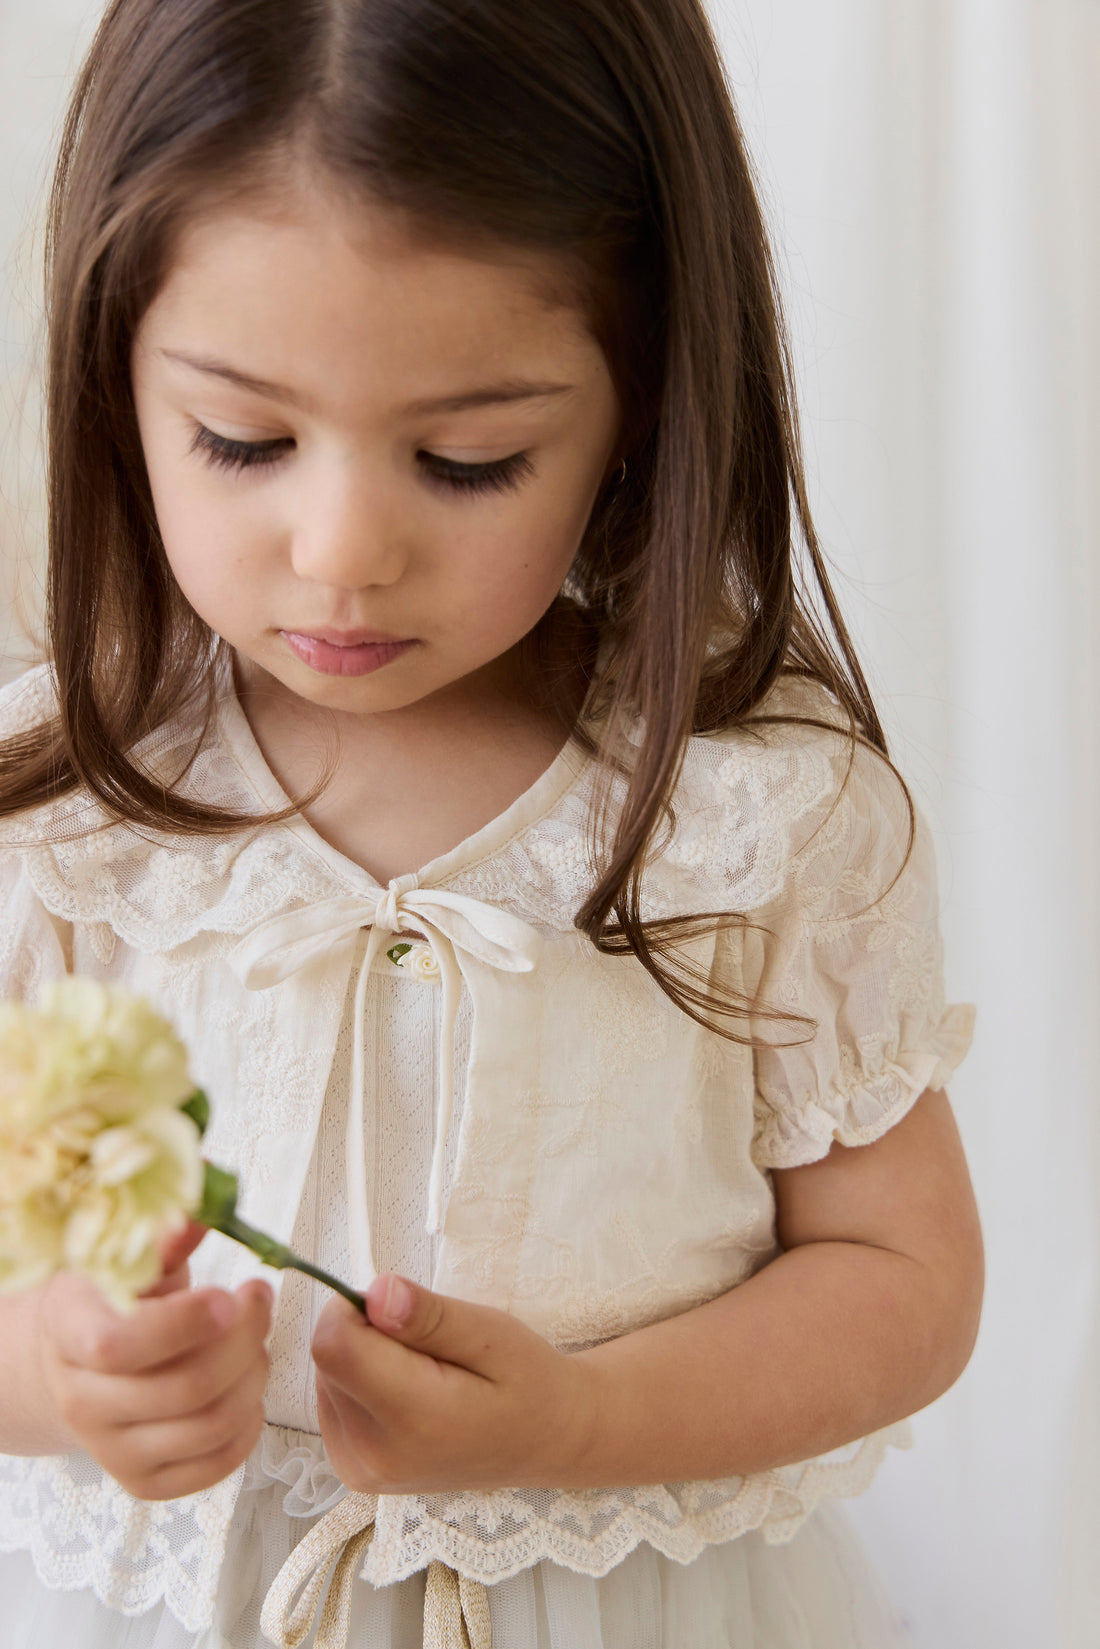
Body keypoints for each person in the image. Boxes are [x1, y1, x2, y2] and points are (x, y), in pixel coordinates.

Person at [0, 0, 983, 1644]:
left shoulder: (756, 809)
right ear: (117, 377)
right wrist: (55, 1373)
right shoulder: (64, 802)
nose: (340, 551)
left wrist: (578, 1425)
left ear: (641, 405)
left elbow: (906, 1281)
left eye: (466, 459)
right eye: (240, 438)